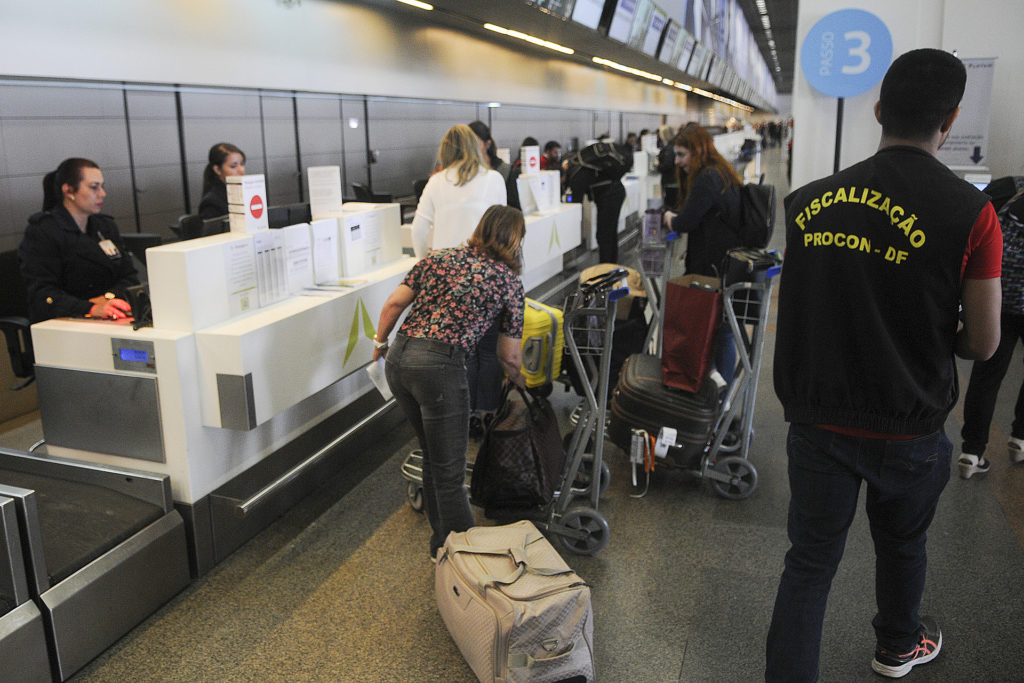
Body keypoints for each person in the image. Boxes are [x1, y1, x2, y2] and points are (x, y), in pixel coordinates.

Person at [767, 49, 1002, 681]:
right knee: (903, 545)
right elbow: (983, 342)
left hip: (818, 418)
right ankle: (898, 646)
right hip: (909, 419)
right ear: (949, 121)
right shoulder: (973, 214)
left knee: (809, 564)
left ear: (877, 110)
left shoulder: (808, 204)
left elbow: (800, 306)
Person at [373, 205, 526, 559]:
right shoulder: (507, 281)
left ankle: (441, 543)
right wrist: (518, 381)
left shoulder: (438, 258)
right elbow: (510, 356)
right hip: (440, 368)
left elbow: (393, 306)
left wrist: (380, 345)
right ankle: (467, 561)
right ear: (516, 239)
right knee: (450, 471)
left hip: (399, 362)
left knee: (432, 455)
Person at [662, 124, 743, 382]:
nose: (678, 161)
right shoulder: (722, 172)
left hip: (711, 270)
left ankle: (713, 393)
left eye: (681, 154)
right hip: (727, 264)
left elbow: (685, 222)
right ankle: (722, 396)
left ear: (696, 151)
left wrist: (668, 218)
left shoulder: (707, 178)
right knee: (724, 332)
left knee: (710, 331)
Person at [19, 158, 140, 323]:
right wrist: (89, 307)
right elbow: (43, 293)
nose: (102, 193)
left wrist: (108, 297)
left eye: (102, 186)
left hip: (109, 314)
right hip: (64, 320)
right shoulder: (43, 231)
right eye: (94, 187)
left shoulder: (105, 226)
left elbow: (130, 276)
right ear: (69, 191)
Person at [960, 184, 1024, 478]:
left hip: (1000, 299)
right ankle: (1020, 440)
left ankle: (971, 453)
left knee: (987, 375)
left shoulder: (1009, 189)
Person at [411, 124, 506, 258]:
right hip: (482, 266)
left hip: (445, 267)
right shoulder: (494, 178)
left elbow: (418, 230)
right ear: (474, 147)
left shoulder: (435, 181)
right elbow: (502, 230)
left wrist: (423, 263)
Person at [468, 120, 520, 210]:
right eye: (467, 143)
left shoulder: (506, 172)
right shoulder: (465, 173)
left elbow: (514, 211)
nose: (470, 147)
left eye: (475, 142)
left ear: (487, 144)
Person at [197, 142, 246, 219]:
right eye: (233, 166)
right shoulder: (211, 202)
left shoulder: (246, 192)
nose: (241, 170)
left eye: (242, 164)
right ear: (217, 170)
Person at [655, 124, 677, 208]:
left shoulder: (669, 148)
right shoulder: (673, 146)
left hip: (670, 181)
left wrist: (657, 167)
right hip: (673, 180)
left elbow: (668, 164)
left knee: (670, 204)